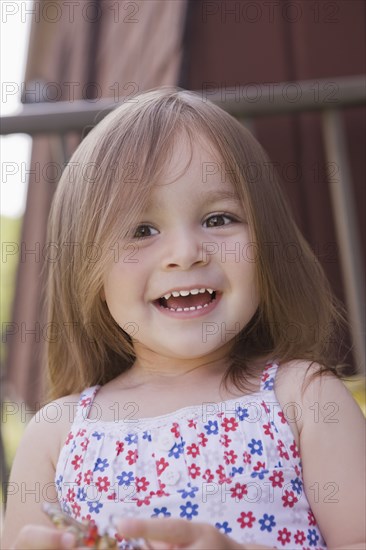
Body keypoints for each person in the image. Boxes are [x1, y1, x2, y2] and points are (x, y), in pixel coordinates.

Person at [2, 89, 365, 550]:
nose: (186, 253)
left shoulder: (304, 399)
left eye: (218, 219)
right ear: (88, 270)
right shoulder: (56, 434)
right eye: (141, 230)